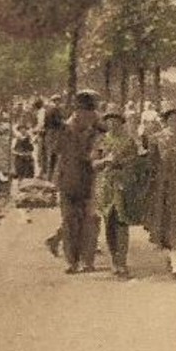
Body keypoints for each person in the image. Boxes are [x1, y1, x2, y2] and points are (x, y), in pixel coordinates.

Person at [50, 90, 104, 274]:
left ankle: (87, 261)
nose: (90, 116)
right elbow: (56, 153)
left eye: (91, 113)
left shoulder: (97, 131)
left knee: (90, 221)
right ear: (78, 112)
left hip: (90, 181)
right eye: (86, 112)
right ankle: (72, 261)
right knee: (69, 221)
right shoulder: (64, 130)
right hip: (68, 181)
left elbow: (101, 150)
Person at [94, 111, 150, 278]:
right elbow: (93, 163)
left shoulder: (128, 141)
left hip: (122, 185)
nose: (113, 124)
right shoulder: (101, 141)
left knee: (122, 223)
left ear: (121, 122)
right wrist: (104, 161)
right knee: (109, 224)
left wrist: (122, 164)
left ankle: (122, 262)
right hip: (105, 186)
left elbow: (136, 164)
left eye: (116, 121)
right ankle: (114, 261)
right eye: (109, 121)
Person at [144, 107, 176, 279]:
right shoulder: (157, 139)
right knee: (170, 223)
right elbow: (151, 165)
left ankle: (174, 259)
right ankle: (175, 264)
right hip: (166, 187)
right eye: (173, 118)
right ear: (166, 120)